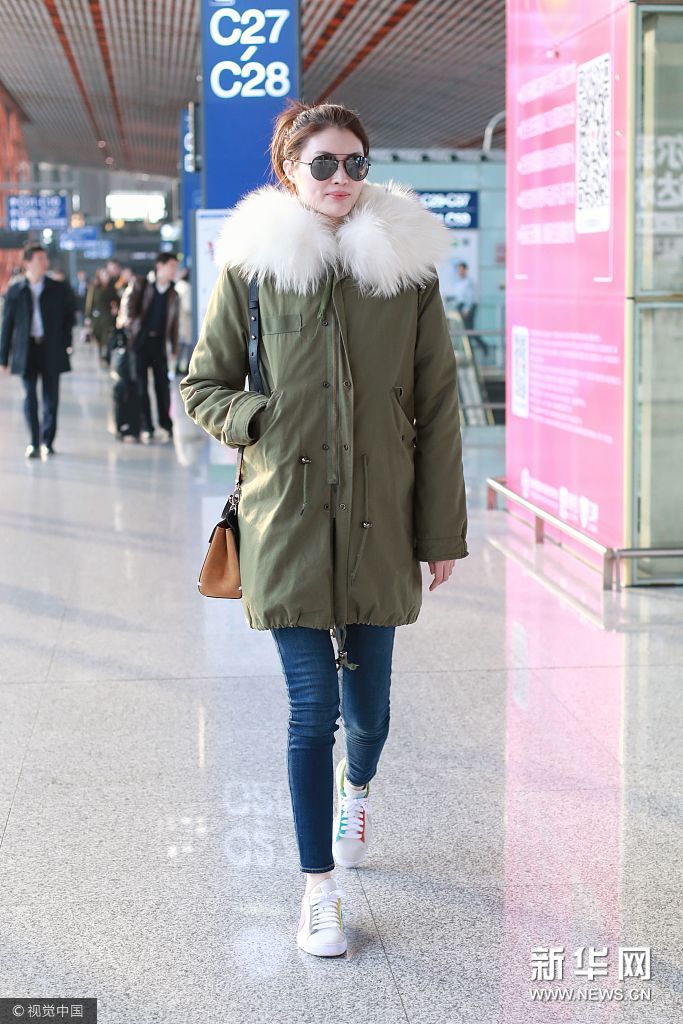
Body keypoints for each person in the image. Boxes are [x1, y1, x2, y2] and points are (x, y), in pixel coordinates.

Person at [180, 101, 468, 959]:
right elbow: (202, 385)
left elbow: (437, 406)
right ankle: (317, 890)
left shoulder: (405, 272)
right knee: (311, 711)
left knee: (367, 715)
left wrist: (440, 531)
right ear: (288, 171)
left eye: (354, 163)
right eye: (323, 164)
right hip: (289, 518)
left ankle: (358, 788)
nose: (341, 178)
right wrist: (262, 418)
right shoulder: (254, 267)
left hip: (382, 520)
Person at [0, 243, 76, 458]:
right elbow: (7, 325)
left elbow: (69, 317)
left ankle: (48, 441)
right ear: (27, 263)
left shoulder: (58, 288)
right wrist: (3, 357)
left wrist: (65, 341)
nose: (45, 263)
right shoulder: (16, 291)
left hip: (51, 348)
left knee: (51, 398)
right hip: (26, 350)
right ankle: (34, 441)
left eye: (45, 259)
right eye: (39, 259)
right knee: (30, 397)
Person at [118, 252, 179, 442]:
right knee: (141, 386)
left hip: (159, 343)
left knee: (162, 386)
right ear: (159, 266)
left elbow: (174, 324)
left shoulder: (173, 293)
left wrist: (174, 348)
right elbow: (128, 306)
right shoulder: (142, 284)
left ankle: (166, 425)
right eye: (171, 266)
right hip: (140, 342)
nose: (174, 271)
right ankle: (147, 426)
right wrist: (132, 325)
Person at [452, 260, 488, 357]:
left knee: (469, 330)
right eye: (458, 270)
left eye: (461, 270)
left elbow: (470, 297)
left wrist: (466, 309)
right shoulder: (458, 283)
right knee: (464, 332)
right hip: (460, 307)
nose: (460, 272)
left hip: (468, 308)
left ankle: (482, 347)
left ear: (465, 270)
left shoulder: (469, 282)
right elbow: (459, 297)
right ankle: (470, 353)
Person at [85, 267, 118, 364]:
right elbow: (89, 303)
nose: (105, 277)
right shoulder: (94, 288)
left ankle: (106, 358)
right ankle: (100, 358)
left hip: (108, 318)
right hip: (97, 318)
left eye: (107, 275)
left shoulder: (112, 288)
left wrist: (115, 308)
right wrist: (88, 317)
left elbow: (117, 300)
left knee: (108, 339)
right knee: (98, 339)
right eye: (103, 275)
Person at [173, 267, 193, 376]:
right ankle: (185, 368)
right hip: (185, 321)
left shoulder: (177, 285)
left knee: (178, 346)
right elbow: (188, 307)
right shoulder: (187, 287)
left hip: (177, 321)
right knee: (187, 345)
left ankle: (176, 367)